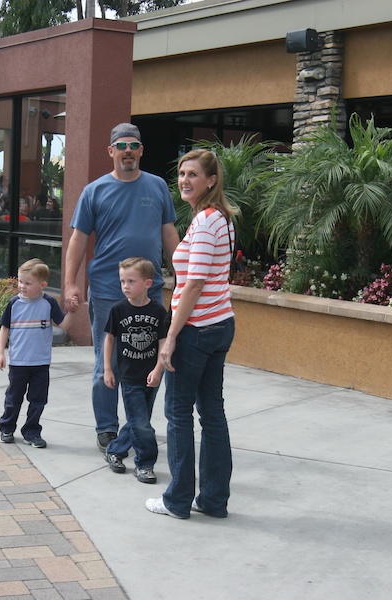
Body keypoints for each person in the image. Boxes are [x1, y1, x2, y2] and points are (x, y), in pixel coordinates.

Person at [63, 122, 179, 452]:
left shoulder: (157, 187)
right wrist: (71, 283)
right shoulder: (94, 191)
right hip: (107, 290)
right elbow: (78, 240)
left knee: (150, 358)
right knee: (107, 360)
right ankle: (106, 427)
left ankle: (136, 423)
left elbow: (169, 235)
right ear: (111, 151)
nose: (127, 152)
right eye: (121, 146)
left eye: (133, 146)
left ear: (141, 150)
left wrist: (182, 277)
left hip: (151, 289)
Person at [146, 148, 238, 520]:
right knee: (212, 413)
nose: (185, 180)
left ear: (211, 180)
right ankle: (213, 501)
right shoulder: (222, 219)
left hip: (197, 329)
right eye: (181, 173)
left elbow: (195, 284)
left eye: (193, 175)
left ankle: (177, 500)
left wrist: (170, 336)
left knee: (178, 413)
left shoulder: (204, 223)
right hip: (221, 324)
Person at [102, 256, 168, 484]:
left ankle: (115, 450)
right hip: (128, 376)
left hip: (151, 376)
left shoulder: (158, 311)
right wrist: (108, 369)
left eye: (131, 281)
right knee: (141, 424)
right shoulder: (118, 310)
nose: (125, 286)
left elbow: (163, 342)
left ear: (148, 283)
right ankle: (145, 464)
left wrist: (159, 369)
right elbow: (109, 340)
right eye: (123, 281)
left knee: (138, 421)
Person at [0, 258, 74, 449]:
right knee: (13, 398)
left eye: (28, 283)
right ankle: (7, 427)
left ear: (42, 285)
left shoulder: (48, 303)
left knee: (38, 400)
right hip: (18, 362)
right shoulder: (14, 303)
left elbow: (63, 325)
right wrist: (0, 354)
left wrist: (71, 312)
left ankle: (32, 432)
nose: (22, 286)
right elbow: (4, 329)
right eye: (20, 281)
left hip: (40, 363)